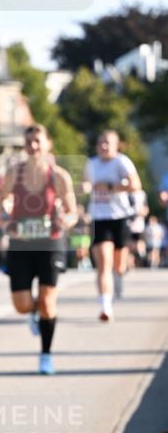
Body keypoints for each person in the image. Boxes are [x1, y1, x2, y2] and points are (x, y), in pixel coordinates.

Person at [0, 124, 77, 375]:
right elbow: (0, 207)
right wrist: (7, 221)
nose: (32, 146)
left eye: (37, 141)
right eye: (28, 141)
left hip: (50, 243)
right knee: (21, 304)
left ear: (47, 144)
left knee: (47, 301)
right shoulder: (13, 173)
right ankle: (34, 314)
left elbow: (73, 211)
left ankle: (45, 355)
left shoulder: (59, 176)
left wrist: (67, 219)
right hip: (21, 244)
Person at [82, 130, 141, 321]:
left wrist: (109, 187)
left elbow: (135, 185)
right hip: (100, 218)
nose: (103, 147)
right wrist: (83, 188)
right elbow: (86, 185)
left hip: (120, 216)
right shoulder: (92, 164)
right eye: (100, 143)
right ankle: (105, 306)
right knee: (103, 264)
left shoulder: (122, 162)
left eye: (107, 143)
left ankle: (119, 275)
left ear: (116, 145)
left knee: (119, 265)